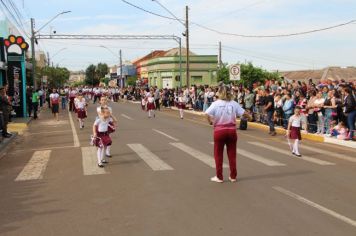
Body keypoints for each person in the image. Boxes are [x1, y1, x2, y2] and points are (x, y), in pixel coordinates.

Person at [205, 83, 251, 183]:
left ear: (220, 93)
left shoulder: (216, 103)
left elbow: (207, 114)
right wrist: (250, 118)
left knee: (218, 155)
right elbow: (245, 114)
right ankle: (233, 176)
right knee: (232, 154)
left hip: (219, 131)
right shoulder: (234, 103)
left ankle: (219, 177)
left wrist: (210, 122)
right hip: (231, 131)